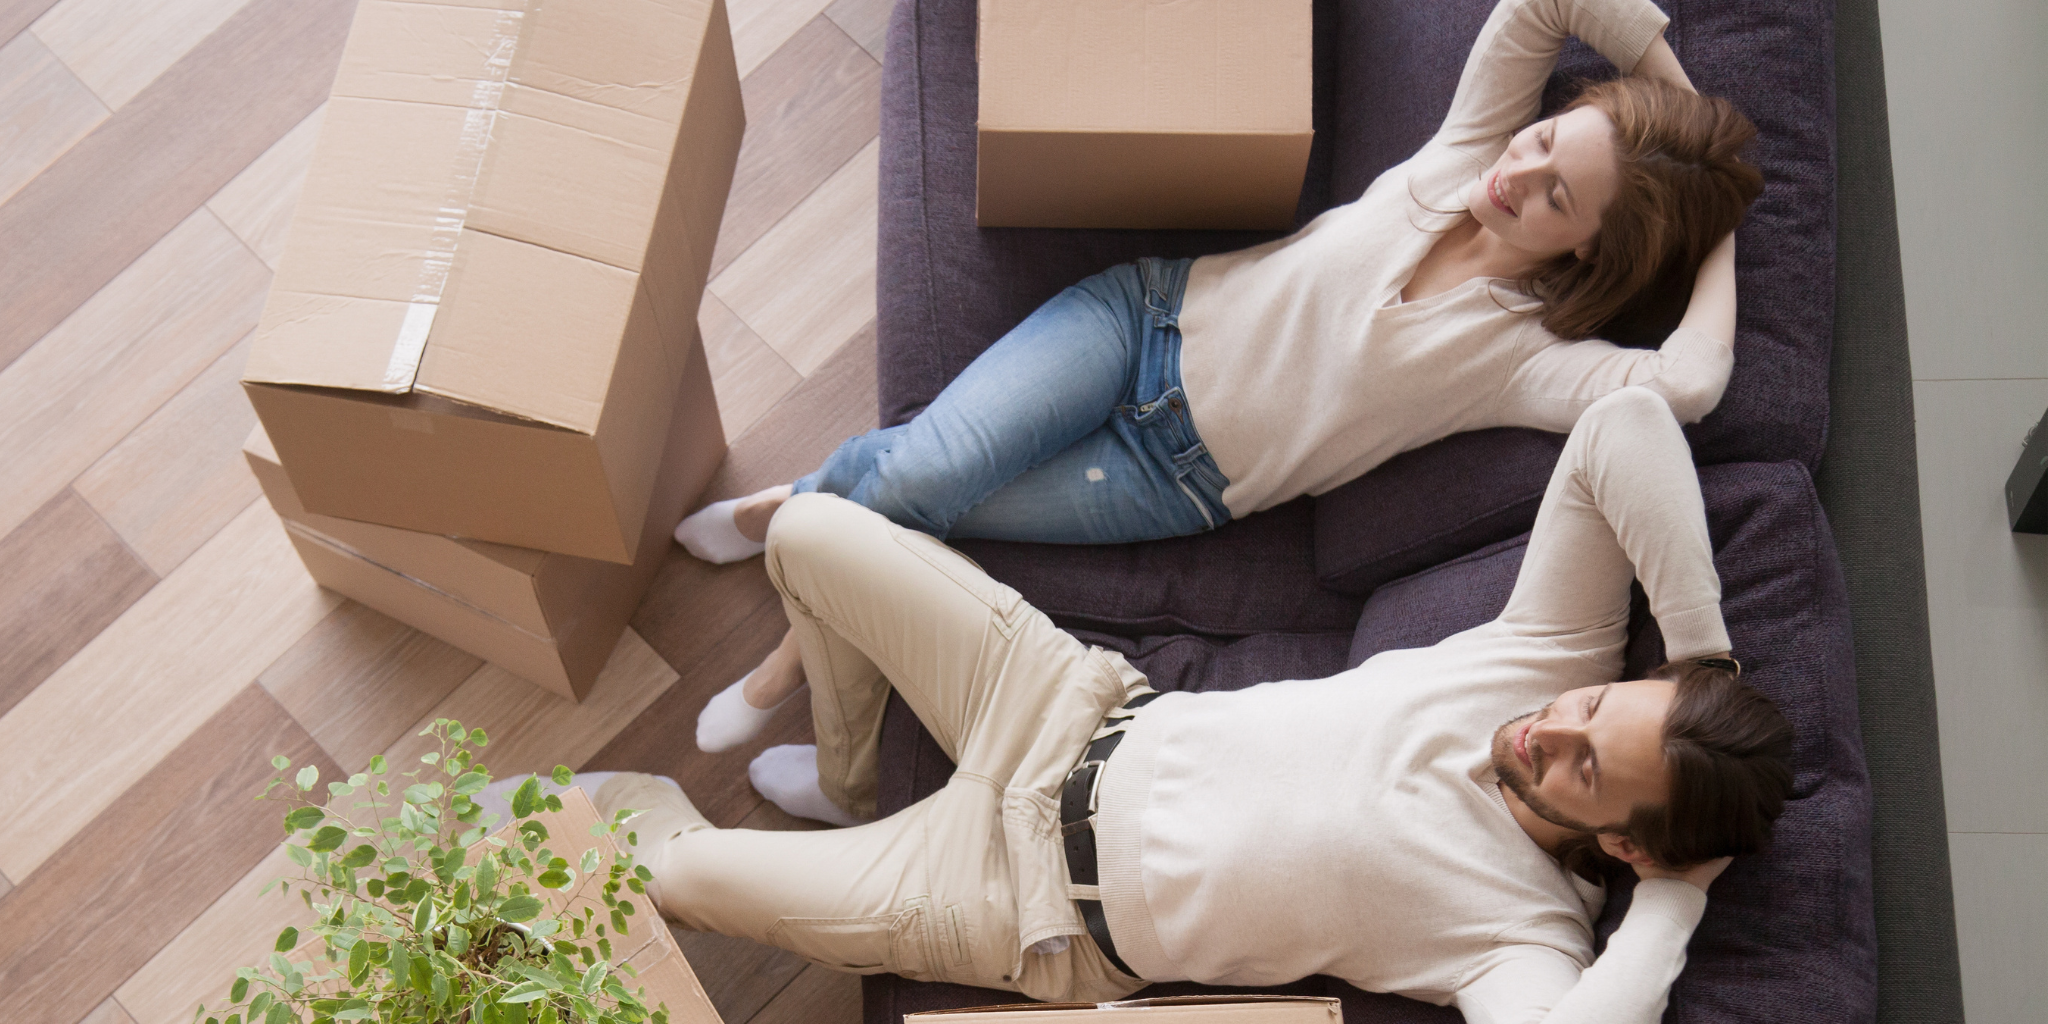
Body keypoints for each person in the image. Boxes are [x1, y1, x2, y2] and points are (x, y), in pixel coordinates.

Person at [677, 0, 1767, 770]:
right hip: (1134, 319)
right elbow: (1547, 1)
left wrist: (1712, 231)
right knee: (925, 469)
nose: (1515, 174)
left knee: (913, 503)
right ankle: (794, 666)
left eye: (1553, 198)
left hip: (1164, 478)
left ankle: (794, 523)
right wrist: (1667, 109)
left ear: (1586, 250)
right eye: (1540, 141)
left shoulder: (1525, 360)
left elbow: (1686, 383)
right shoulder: (1465, 152)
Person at [586, 387, 1795, 1019]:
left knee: (674, 877)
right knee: (804, 528)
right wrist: (1701, 660)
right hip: (1061, 702)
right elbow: (1624, 426)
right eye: (1598, 703)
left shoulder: (1518, 938)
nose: (1554, 728)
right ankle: (851, 781)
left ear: (1625, 842)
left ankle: (570, 819)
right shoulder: (1541, 659)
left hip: (1023, 905)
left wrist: (1672, 903)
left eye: (1586, 767)